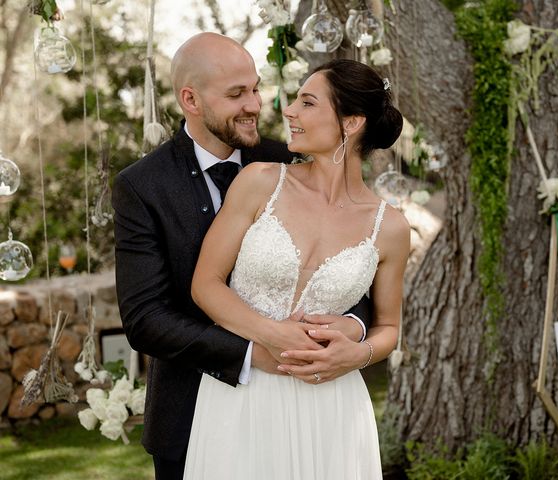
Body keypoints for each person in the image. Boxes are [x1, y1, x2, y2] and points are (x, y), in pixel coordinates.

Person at [112, 33, 371, 480]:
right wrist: (260, 352)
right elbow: (146, 319)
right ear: (190, 99)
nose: (255, 104)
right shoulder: (142, 186)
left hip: (303, 406)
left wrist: (351, 327)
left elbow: (354, 262)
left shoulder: (290, 159)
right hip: (188, 415)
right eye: (236, 94)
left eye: (255, 87)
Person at [184, 59, 410, 479]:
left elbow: (389, 329)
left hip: (333, 404)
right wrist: (271, 334)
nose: (288, 110)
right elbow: (205, 285)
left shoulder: (391, 226)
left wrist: (357, 353)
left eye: (307, 102)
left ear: (351, 122)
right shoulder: (260, 181)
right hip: (243, 397)